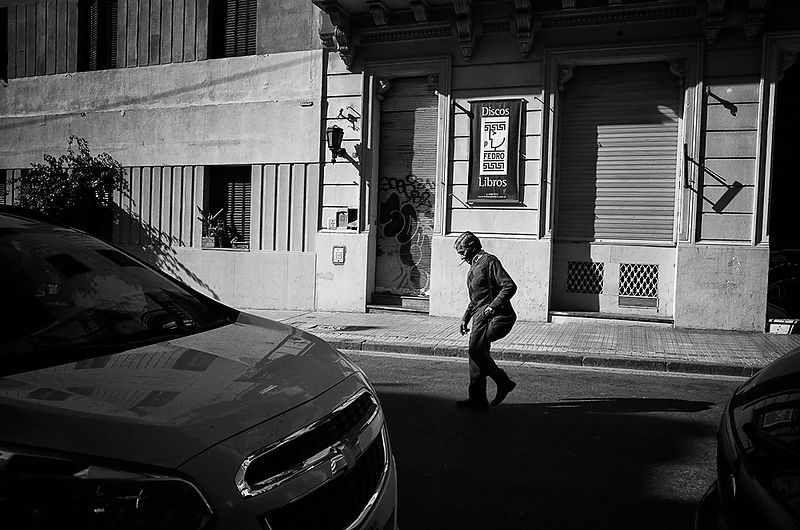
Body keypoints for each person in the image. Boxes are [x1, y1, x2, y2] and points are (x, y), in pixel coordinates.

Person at [454, 231, 518, 408]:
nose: (461, 257)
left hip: (495, 318)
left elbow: (509, 286)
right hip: (480, 318)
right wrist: (465, 318)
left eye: (463, 252)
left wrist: (492, 307)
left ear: (473, 247)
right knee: (476, 355)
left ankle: (504, 382)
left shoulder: (489, 261)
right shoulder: (474, 265)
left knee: (476, 351)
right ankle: (478, 399)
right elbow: (476, 299)